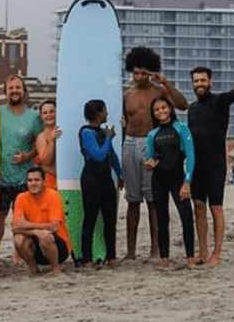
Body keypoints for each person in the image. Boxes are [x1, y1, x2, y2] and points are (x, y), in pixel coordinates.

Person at [122, 46, 188, 259]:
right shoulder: (127, 94)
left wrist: (165, 82)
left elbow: (182, 104)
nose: (139, 77)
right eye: (136, 72)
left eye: (143, 72)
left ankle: (155, 249)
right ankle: (131, 252)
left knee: (153, 200)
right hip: (130, 143)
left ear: (150, 70)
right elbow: (123, 123)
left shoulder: (159, 91)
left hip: (153, 142)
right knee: (132, 200)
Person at [187, 67, 234, 267]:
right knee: (198, 207)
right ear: (192, 83)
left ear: (210, 81)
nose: (199, 84)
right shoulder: (192, 108)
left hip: (216, 164)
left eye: (203, 80)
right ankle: (203, 251)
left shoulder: (221, 101)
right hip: (196, 165)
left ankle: (216, 253)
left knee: (216, 207)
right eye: (196, 81)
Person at [0, 75, 43, 267]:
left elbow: (40, 145)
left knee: (20, 220)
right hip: (1, 178)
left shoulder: (33, 117)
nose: (14, 91)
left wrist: (27, 157)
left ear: (24, 91)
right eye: (11, 88)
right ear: (5, 92)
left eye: (18, 88)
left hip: (24, 177)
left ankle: (18, 254)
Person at [144, 96, 197, 270]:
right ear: (153, 113)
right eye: (157, 109)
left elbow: (190, 156)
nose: (161, 111)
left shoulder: (181, 128)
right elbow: (151, 158)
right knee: (162, 220)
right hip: (158, 180)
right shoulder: (152, 134)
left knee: (187, 218)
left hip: (178, 179)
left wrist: (187, 182)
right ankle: (164, 258)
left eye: (164, 108)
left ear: (170, 108)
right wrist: (148, 165)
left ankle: (190, 258)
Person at [78, 100, 123, 269]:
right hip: (91, 179)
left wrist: (120, 175)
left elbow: (112, 156)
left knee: (110, 218)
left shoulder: (103, 132)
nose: (107, 114)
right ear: (98, 113)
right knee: (90, 218)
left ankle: (111, 256)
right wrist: (109, 138)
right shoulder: (87, 132)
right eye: (104, 111)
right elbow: (99, 155)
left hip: (106, 179)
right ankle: (87, 258)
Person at [11, 167, 73, 275]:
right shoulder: (21, 198)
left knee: (46, 236)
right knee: (18, 238)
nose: (33, 183)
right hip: (35, 243)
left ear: (44, 182)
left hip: (59, 247)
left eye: (37, 180)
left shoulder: (53, 195)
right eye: (30, 180)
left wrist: (28, 225)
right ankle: (33, 268)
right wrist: (35, 232)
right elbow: (14, 227)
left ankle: (55, 268)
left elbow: (54, 227)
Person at [35, 99, 60, 190]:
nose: (49, 115)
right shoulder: (41, 137)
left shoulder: (64, 131)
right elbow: (46, 161)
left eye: (52, 111)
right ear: (41, 116)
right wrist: (51, 141)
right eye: (45, 113)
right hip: (51, 182)